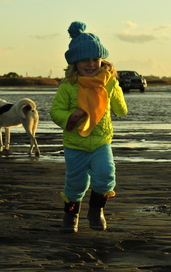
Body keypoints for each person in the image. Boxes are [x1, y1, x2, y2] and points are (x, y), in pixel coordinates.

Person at [50, 21, 128, 233]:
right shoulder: (68, 86)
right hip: (75, 143)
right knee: (75, 184)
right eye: (85, 59)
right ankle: (71, 215)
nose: (91, 64)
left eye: (96, 58)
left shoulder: (108, 82)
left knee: (106, 175)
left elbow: (120, 108)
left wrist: (116, 91)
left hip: (101, 141)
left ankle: (96, 211)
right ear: (75, 62)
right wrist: (70, 116)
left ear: (103, 60)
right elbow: (55, 112)